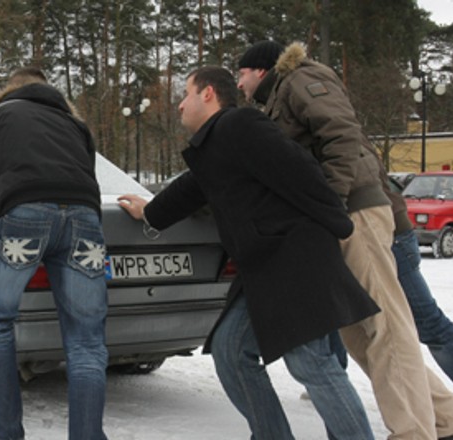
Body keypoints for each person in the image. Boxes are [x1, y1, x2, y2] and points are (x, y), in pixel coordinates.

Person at [118, 66, 380, 439]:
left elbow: (301, 170)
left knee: (310, 362)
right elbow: (192, 188)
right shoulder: (216, 145)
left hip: (291, 259)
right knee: (230, 350)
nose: (180, 105)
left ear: (208, 93)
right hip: (261, 269)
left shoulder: (240, 125)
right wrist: (151, 212)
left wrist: (335, 220)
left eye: (186, 94)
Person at [237, 40, 453, 439]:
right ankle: (444, 417)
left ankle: (413, 431)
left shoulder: (300, 79)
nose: (239, 83)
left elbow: (341, 134)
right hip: (337, 219)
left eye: (242, 73)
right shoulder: (279, 97)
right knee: (360, 335)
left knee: (386, 328)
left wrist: (331, 202)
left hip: (355, 212)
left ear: (261, 70)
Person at [0, 67, 109, 440]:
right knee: (87, 340)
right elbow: (86, 176)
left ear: (9, 89)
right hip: (85, 221)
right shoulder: (75, 125)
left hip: (26, 218)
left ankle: (4, 433)